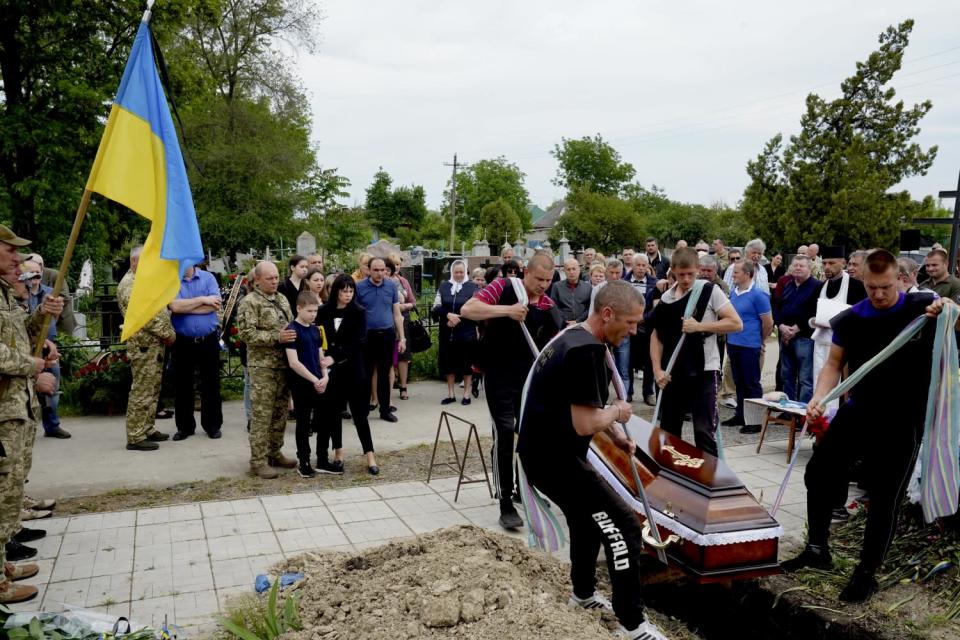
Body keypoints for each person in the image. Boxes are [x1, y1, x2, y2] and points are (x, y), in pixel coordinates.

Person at [782, 250, 950, 603]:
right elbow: (834, 363)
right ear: (863, 282)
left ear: (900, 280)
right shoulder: (852, 318)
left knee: (884, 495)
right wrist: (820, 398)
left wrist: (950, 310)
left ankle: (866, 572)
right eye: (871, 287)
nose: (878, 294)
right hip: (858, 411)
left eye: (886, 287)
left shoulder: (922, 308)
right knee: (819, 471)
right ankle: (817, 549)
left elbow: (955, 325)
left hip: (903, 419)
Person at [518, 281, 667, 640]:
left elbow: (579, 407)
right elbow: (586, 421)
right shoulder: (585, 352)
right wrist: (618, 412)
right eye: (630, 323)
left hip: (544, 453)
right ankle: (632, 625)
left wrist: (617, 437)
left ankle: (582, 594)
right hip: (555, 459)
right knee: (624, 527)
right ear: (607, 314)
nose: (633, 332)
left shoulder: (573, 338)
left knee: (586, 521)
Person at [461, 253, 563, 530]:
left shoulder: (548, 305)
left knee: (529, 437)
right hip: (498, 375)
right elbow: (468, 310)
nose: (543, 284)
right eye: (538, 279)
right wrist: (506, 311)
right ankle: (505, 500)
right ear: (525, 273)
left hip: (528, 380)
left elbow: (554, 344)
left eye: (548, 280)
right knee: (505, 433)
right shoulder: (505, 287)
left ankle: (525, 489)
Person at [0, 225, 62, 604]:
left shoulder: (5, 293)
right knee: (2, 491)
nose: (17, 259)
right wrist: (32, 365)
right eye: (9, 252)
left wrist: (43, 314)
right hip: (4, 406)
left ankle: (3, 562)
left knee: (10, 491)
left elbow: (18, 333)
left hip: (15, 407)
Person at [650, 247, 741, 455]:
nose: (686, 279)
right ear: (672, 270)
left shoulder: (710, 291)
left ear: (698, 269)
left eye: (691, 273)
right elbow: (656, 337)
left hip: (705, 370)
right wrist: (657, 370)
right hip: (674, 372)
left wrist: (700, 327)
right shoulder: (666, 299)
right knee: (669, 430)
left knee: (703, 431)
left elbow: (736, 323)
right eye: (681, 274)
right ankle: (673, 478)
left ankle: (711, 482)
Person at [237, 261, 297, 479]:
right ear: (257, 280)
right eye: (270, 278)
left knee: (281, 412)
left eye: (276, 277)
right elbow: (246, 334)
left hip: (283, 364)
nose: (275, 281)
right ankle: (258, 461)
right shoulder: (249, 302)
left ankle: (274, 451)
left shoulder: (281, 299)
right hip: (262, 367)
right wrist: (276, 337)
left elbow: (290, 325)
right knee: (262, 415)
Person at [317, 275, 379, 475]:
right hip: (332, 373)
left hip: (353, 369)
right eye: (344, 291)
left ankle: (370, 455)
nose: (347, 295)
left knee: (360, 414)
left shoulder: (358, 312)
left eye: (351, 291)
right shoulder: (323, 311)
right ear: (336, 291)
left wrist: (335, 357)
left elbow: (359, 341)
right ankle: (338, 452)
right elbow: (319, 337)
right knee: (334, 413)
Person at [117, 246, 175, 451]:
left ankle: (147, 428)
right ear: (134, 261)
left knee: (152, 389)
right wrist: (167, 334)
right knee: (141, 390)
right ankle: (135, 435)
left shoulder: (143, 280)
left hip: (153, 344)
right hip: (143, 345)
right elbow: (145, 316)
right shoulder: (129, 285)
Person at [168, 264, 223, 440]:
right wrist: (203, 300)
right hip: (183, 341)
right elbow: (174, 307)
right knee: (183, 384)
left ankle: (212, 425)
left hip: (208, 339)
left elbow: (215, 305)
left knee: (211, 383)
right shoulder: (172, 280)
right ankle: (184, 427)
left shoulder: (208, 278)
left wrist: (189, 305)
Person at [720, 260, 773, 434]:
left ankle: (756, 420)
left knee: (751, 383)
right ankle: (741, 415)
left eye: (736, 272)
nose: (733, 274)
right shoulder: (734, 293)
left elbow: (768, 322)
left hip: (750, 345)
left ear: (748, 274)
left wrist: (760, 340)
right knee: (739, 382)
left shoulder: (758, 295)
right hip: (734, 343)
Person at [809, 247, 867, 402]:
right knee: (819, 381)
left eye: (831, 263)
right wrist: (813, 321)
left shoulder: (857, 287)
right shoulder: (820, 287)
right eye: (825, 263)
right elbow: (809, 313)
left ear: (842, 263)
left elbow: (862, 317)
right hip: (821, 344)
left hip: (844, 347)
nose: (827, 267)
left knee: (843, 391)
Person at [20, 261, 70, 439]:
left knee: (51, 386)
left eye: (37, 272)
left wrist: (50, 342)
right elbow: (25, 325)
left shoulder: (49, 293)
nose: (35, 276)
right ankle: (25, 425)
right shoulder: (21, 295)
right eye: (31, 273)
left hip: (50, 345)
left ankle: (52, 425)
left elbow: (52, 320)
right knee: (28, 387)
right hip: (30, 347)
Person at [284, 291, 329, 479]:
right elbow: (294, 362)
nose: (313, 314)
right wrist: (314, 379)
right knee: (303, 422)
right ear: (299, 308)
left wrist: (325, 376)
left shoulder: (315, 329)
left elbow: (321, 356)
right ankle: (304, 460)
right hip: (302, 383)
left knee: (324, 421)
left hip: (319, 381)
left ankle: (323, 458)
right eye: (310, 311)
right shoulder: (292, 330)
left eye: (316, 311)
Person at [355, 257, 406, 422]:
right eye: (375, 270)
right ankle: (362, 411)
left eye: (382, 270)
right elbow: (355, 314)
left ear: (386, 270)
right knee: (366, 374)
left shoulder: (391, 286)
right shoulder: (360, 287)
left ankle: (385, 410)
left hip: (387, 335)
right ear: (368, 270)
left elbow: (397, 314)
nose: (379, 273)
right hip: (367, 336)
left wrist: (402, 337)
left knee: (385, 374)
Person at [774, 255, 820, 403]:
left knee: (805, 379)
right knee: (787, 376)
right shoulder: (788, 285)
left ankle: (801, 415)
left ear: (810, 268)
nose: (798, 268)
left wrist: (796, 328)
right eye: (795, 265)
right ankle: (788, 410)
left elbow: (815, 311)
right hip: (785, 337)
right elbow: (778, 307)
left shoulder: (817, 286)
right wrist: (780, 326)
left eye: (802, 266)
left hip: (804, 338)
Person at [432, 260, 478, 405]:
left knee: (466, 364)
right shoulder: (444, 286)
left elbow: (476, 307)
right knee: (448, 363)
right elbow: (436, 306)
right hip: (447, 331)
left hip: (466, 331)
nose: (458, 274)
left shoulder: (473, 287)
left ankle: (466, 394)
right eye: (456, 272)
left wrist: (458, 318)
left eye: (461, 272)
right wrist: (448, 315)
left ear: (465, 272)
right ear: (452, 272)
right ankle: (451, 394)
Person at [388, 254, 416, 401]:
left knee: (403, 356)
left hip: (402, 319)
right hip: (387, 320)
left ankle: (403, 386)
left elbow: (413, 301)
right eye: (393, 264)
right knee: (388, 356)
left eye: (398, 264)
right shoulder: (384, 281)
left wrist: (404, 306)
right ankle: (388, 388)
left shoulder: (403, 281)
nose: (396, 267)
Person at [549, 258, 592, 326]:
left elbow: (589, 307)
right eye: (568, 269)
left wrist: (578, 321)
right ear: (564, 271)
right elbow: (554, 307)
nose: (571, 272)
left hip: (583, 324)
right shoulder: (557, 286)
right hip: (563, 325)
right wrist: (565, 321)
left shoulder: (588, 287)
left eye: (574, 269)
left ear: (579, 269)